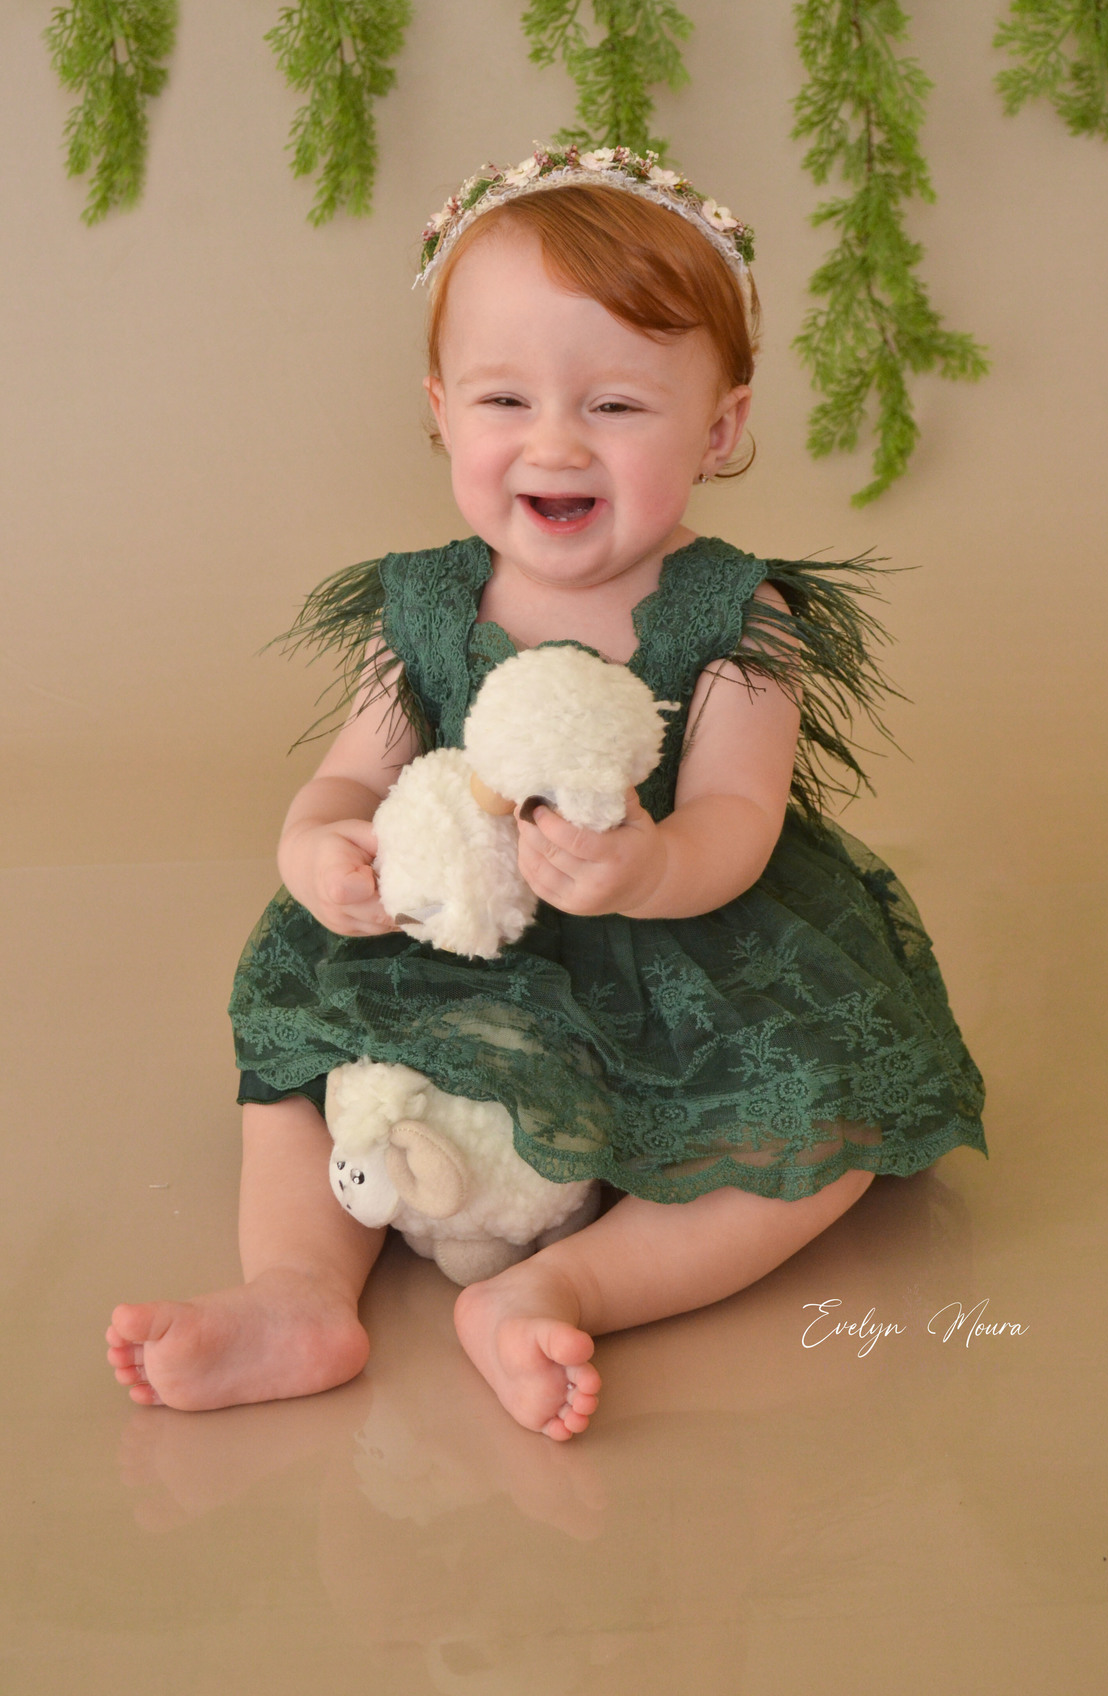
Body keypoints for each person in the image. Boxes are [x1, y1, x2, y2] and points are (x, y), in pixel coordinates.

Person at [107, 146, 986, 1440]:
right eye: (504, 398)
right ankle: (297, 1293)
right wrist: (321, 851)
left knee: (828, 1131)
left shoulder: (741, 620)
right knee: (293, 1067)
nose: (555, 440)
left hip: (680, 950)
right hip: (454, 942)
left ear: (722, 427)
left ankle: (555, 1288)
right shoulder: (426, 607)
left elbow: (739, 817)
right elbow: (354, 768)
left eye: (620, 406)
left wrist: (649, 867)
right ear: (439, 412)